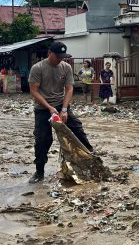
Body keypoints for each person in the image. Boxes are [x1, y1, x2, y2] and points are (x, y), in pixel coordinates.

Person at [28, 41, 94, 184]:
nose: (60, 59)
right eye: (57, 56)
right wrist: (49, 108)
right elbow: (34, 91)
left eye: (62, 57)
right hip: (43, 109)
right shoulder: (37, 68)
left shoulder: (66, 67)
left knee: (77, 129)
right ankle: (39, 172)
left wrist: (64, 109)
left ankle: (92, 158)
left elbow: (69, 88)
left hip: (60, 106)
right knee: (42, 140)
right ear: (49, 53)